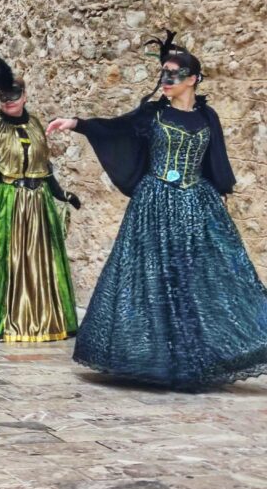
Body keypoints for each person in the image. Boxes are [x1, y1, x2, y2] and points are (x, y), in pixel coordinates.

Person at [48, 31, 267, 390]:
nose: (166, 80)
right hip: (155, 204)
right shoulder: (153, 114)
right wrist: (77, 123)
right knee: (153, 279)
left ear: (193, 79)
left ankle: (197, 357)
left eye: (174, 74)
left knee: (200, 279)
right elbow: (116, 128)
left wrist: (219, 199)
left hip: (197, 204)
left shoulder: (207, 117)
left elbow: (216, 161)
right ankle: (157, 360)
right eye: (163, 73)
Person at [0, 56, 79, 343]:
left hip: (36, 203)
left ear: (24, 95)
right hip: (1, 202)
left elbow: (44, 166)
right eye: (3, 96)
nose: (9, 101)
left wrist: (61, 194)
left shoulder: (34, 124)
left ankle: (39, 317)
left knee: (36, 263)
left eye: (14, 95)